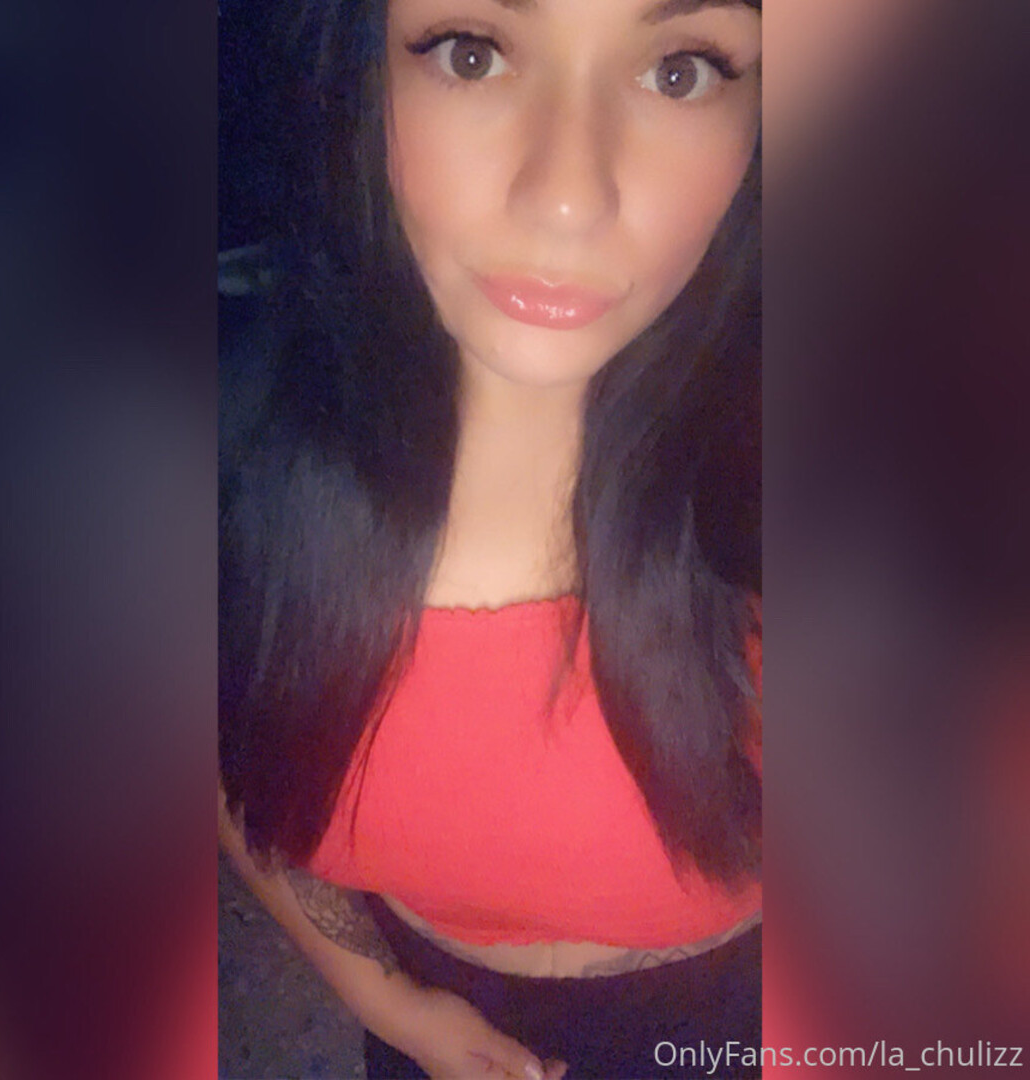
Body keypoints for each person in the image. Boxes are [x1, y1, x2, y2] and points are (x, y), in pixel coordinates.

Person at [219, 0, 762, 1076]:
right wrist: (388, 1003)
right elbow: (225, 763)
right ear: (357, 77)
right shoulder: (220, 454)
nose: (566, 197)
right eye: (472, 54)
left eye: (681, 71)